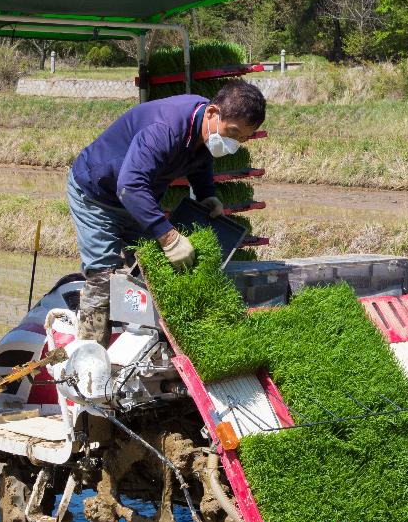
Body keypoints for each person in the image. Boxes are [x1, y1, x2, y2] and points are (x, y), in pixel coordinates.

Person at [66, 79, 266, 345]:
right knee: (104, 276)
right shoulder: (166, 129)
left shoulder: (203, 129)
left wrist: (206, 194)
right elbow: (130, 185)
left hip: (134, 197)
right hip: (97, 193)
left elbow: (199, 160)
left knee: (151, 266)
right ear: (212, 113)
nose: (232, 142)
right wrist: (168, 237)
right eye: (231, 132)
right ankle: (90, 359)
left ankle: (142, 344)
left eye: (241, 139)